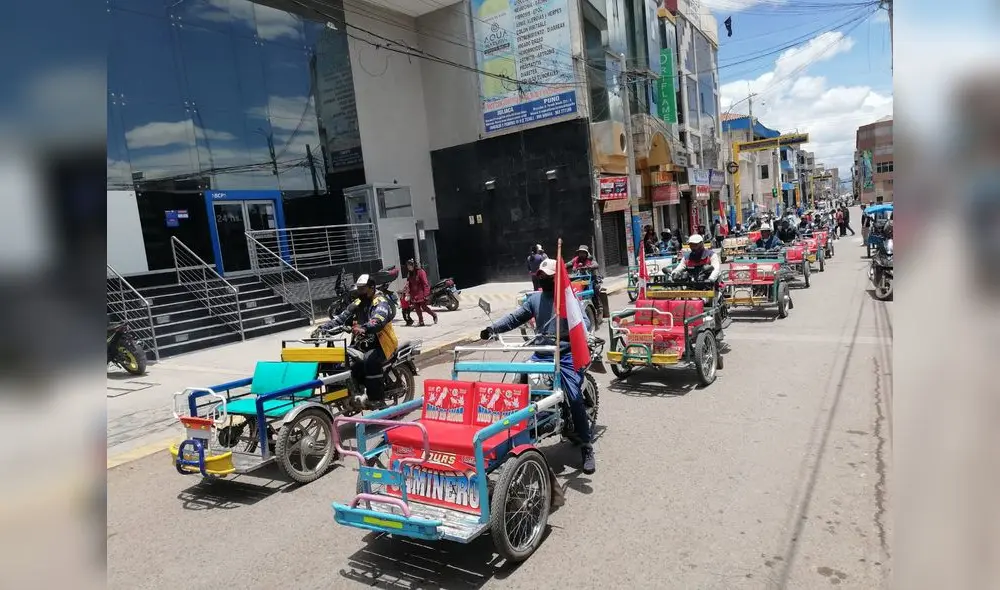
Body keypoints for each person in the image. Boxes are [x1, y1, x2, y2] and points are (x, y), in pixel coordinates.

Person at [480, 259, 596, 474]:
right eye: (540, 276)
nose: (543, 280)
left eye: (547, 277)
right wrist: (492, 328)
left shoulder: (568, 298)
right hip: (541, 354)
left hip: (565, 355)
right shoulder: (534, 299)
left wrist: (575, 328)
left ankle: (586, 446)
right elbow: (515, 317)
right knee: (517, 391)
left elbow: (584, 322)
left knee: (573, 397)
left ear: (556, 278)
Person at [322, 274, 398, 410]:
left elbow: (378, 320)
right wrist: (323, 327)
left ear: (372, 288)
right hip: (361, 343)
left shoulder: (380, 302)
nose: (359, 291)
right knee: (341, 361)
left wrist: (364, 328)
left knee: (370, 360)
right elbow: (342, 317)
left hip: (381, 344)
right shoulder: (358, 302)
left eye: (363, 289)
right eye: (359, 288)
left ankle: (377, 399)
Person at [405, 259, 437, 326]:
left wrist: (426, 294)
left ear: (413, 265)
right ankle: (421, 321)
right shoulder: (409, 274)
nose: (408, 267)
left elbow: (425, 283)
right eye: (407, 265)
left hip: (421, 293)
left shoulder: (421, 272)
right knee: (417, 308)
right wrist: (407, 293)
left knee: (424, 307)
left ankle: (434, 315)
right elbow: (408, 284)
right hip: (413, 294)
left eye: (410, 265)